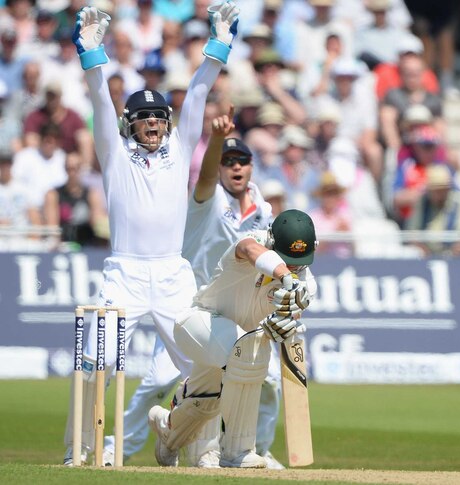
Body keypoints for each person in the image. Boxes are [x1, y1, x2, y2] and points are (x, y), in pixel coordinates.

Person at [62, 1, 240, 466]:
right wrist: (92, 49)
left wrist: (219, 42)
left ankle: (201, 448)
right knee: (94, 364)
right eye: (146, 119)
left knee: (206, 364)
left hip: (172, 273)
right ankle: (86, 450)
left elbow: (199, 94)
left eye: (160, 117)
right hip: (124, 272)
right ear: (130, 125)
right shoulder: (115, 154)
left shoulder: (180, 149)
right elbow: (101, 100)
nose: (155, 124)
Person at [148, 209, 317, 468]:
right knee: (249, 351)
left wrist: (283, 323)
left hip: (231, 346)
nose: (294, 267)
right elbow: (249, 250)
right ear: (272, 240)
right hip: (199, 324)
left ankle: (168, 430)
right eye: (288, 259)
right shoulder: (254, 242)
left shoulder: (305, 283)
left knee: (206, 401)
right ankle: (236, 451)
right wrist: (285, 276)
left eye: (299, 261)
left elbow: (283, 322)